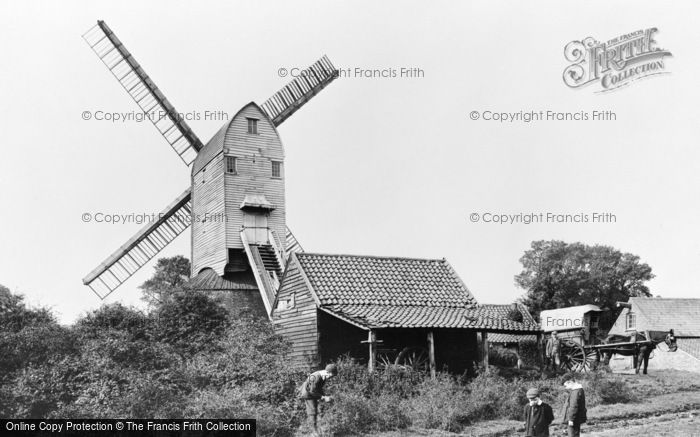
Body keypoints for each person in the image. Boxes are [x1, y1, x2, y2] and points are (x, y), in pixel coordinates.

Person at [299, 363, 338, 434]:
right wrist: (323, 397)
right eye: (331, 376)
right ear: (327, 372)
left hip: (314, 393)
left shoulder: (324, 376)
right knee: (312, 412)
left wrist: (325, 396)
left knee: (320, 409)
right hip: (308, 394)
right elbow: (312, 391)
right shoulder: (316, 376)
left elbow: (318, 389)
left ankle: (318, 428)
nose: (331, 378)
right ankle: (313, 432)